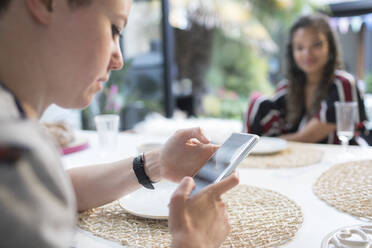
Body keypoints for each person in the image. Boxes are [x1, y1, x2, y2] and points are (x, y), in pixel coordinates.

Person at [0, 0, 239, 247]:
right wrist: (193, 242)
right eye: (114, 28)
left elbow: (54, 188)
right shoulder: (14, 152)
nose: (119, 60)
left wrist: (157, 164)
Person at [245, 14, 368, 145]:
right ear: (292, 52)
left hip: (341, 160)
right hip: (298, 162)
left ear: (330, 47)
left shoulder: (343, 84)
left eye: (316, 45)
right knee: (258, 102)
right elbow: (262, 117)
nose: (307, 53)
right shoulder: (286, 89)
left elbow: (307, 137)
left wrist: (267, 144)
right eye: (299, 48)